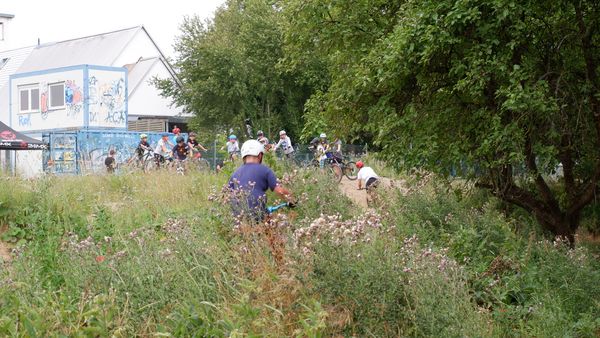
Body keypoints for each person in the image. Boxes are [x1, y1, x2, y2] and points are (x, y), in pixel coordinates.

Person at [229, 140, 295, 222]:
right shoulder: (265, 170)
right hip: (258, 215)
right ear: (260, 155)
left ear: (243, 156)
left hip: (238, 218)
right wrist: (293, 200)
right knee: (276, 225)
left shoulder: (235, 174)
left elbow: (228, 196)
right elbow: (280, 191)